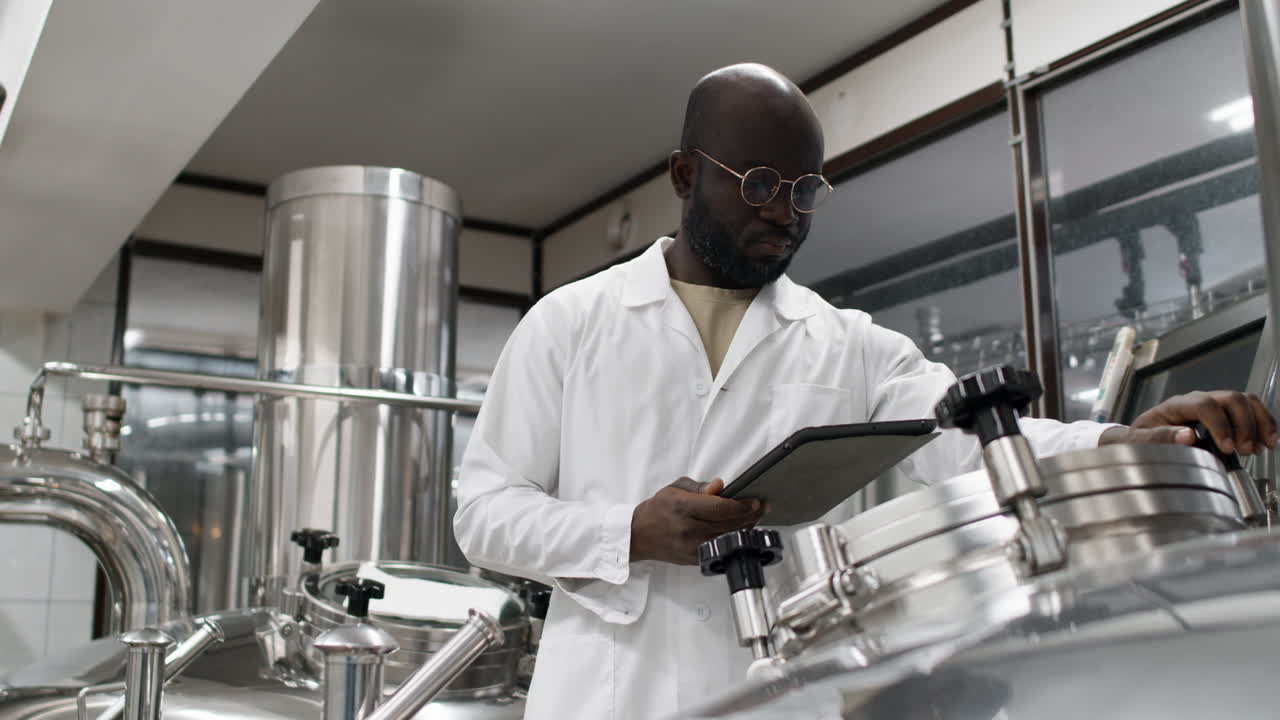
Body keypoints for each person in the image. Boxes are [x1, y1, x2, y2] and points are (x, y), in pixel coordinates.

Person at [453, 63, 1277, 720]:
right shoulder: (572, 321)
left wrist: (1119, 442)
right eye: (759, 184)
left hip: (776, 688)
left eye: (806, 191)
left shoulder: (844, 341)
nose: (785, 213)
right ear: (684, 174)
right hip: (608, 693)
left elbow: (971, 433)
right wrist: (626, 530)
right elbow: (483, 514)